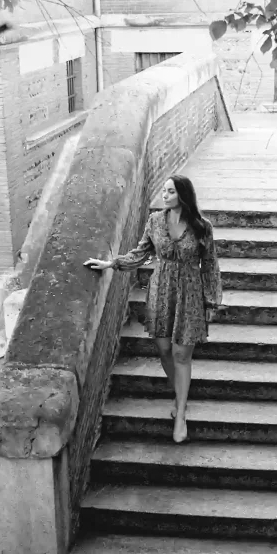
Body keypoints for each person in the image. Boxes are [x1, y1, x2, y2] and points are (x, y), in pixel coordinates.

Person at [84, 174, 223, 444]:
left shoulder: (201, 226)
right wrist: (111, 264)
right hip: (161, 290)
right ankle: (179, 393)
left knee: (182, 354)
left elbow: (210, 266)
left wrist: (211, 301)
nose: (164, 195)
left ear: (183, 194)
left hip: (190, 292)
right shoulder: (155, 221)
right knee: (163, 349)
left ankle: (180, 412)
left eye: (170, 191)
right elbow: (141, 253)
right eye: (164, 191)